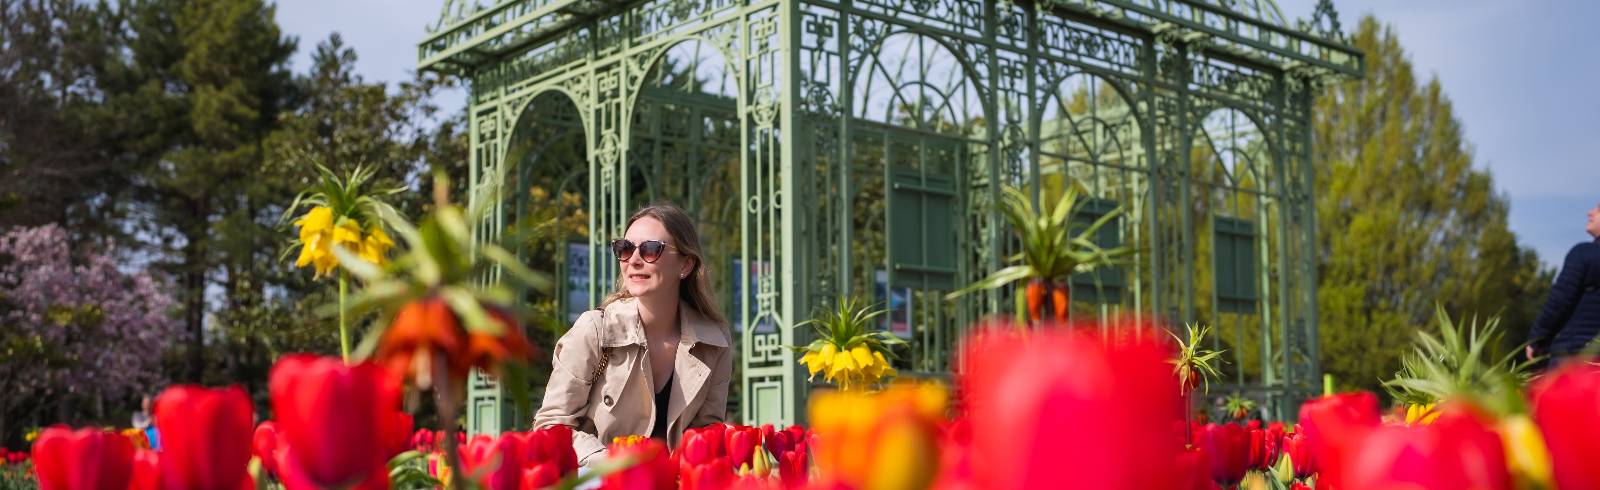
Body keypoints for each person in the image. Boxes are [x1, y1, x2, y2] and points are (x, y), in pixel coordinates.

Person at [534, 204, 733, 467]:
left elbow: (707, 432)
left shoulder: (714, 342)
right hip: (601, 477)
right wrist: (617, 466)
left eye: (651, 249)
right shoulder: (594, 330)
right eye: (625, 249)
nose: (634, 260)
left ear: (686, 264)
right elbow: (552, 426)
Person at [1526, 203, 1600, 365]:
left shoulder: (1584, 253)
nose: (1590, 212)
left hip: (1575, 355)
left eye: (1598, 209)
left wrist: (1538, 339)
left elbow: (1559, 301)